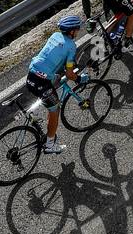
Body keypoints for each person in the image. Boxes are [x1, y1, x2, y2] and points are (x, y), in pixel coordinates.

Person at [26, 16, 88, 154]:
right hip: (42, 82)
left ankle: (33, 113)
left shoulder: (55, 35)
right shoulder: (71, 46)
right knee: (55, 109)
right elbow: (70, 73)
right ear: (71, 31)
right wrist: (79, 79)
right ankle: (49, 146)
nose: (78, 31)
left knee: (47, 93)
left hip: (31, 74)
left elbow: (53, 56)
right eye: (77, 29)